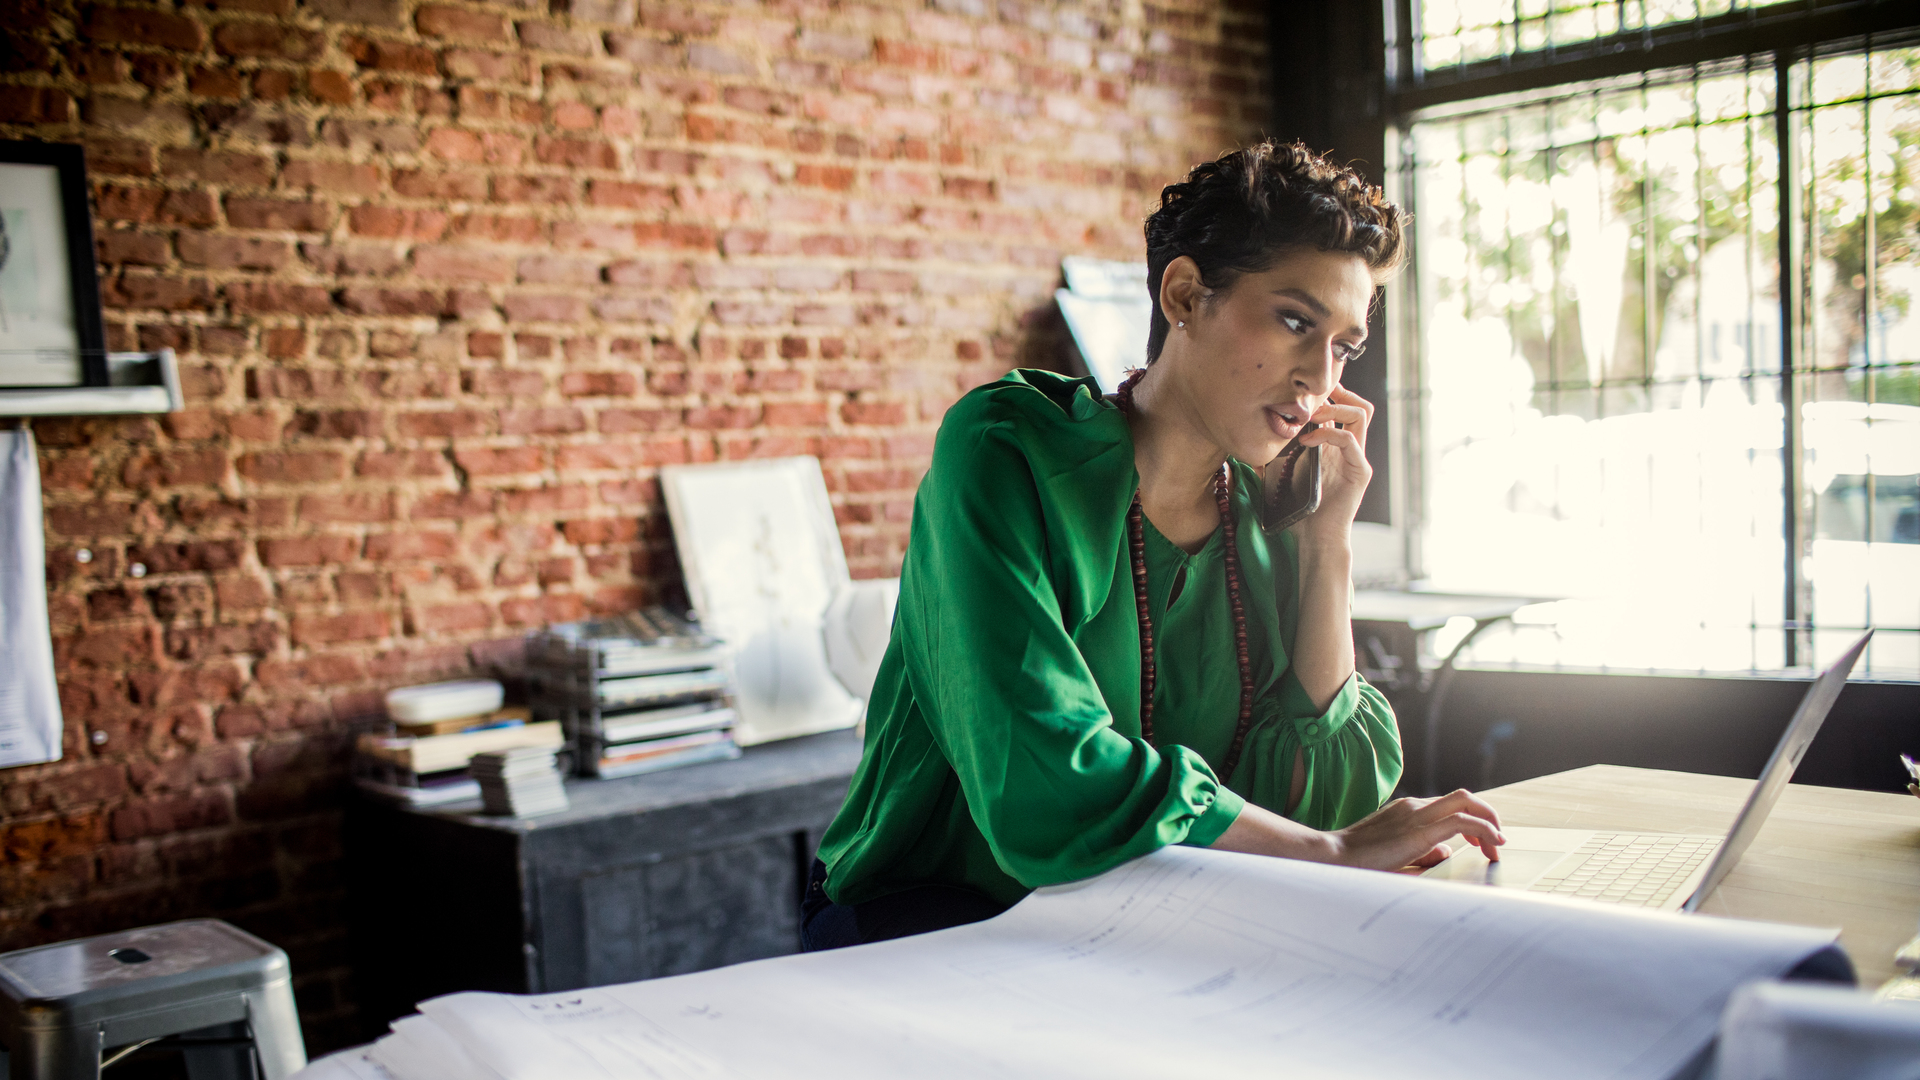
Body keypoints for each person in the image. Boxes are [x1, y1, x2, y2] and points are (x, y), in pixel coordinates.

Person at [801, 141, 1505, 951]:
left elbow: (1332, 796)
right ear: (1183, 295)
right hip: (932, 924)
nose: (1320, 374)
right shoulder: (1007, 452)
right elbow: (1044, 781)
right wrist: (1332, 853)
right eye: (1294, 321)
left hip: (1151, 929)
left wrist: (1325, 542)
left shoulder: (1270, 508)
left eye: (1344, 346)